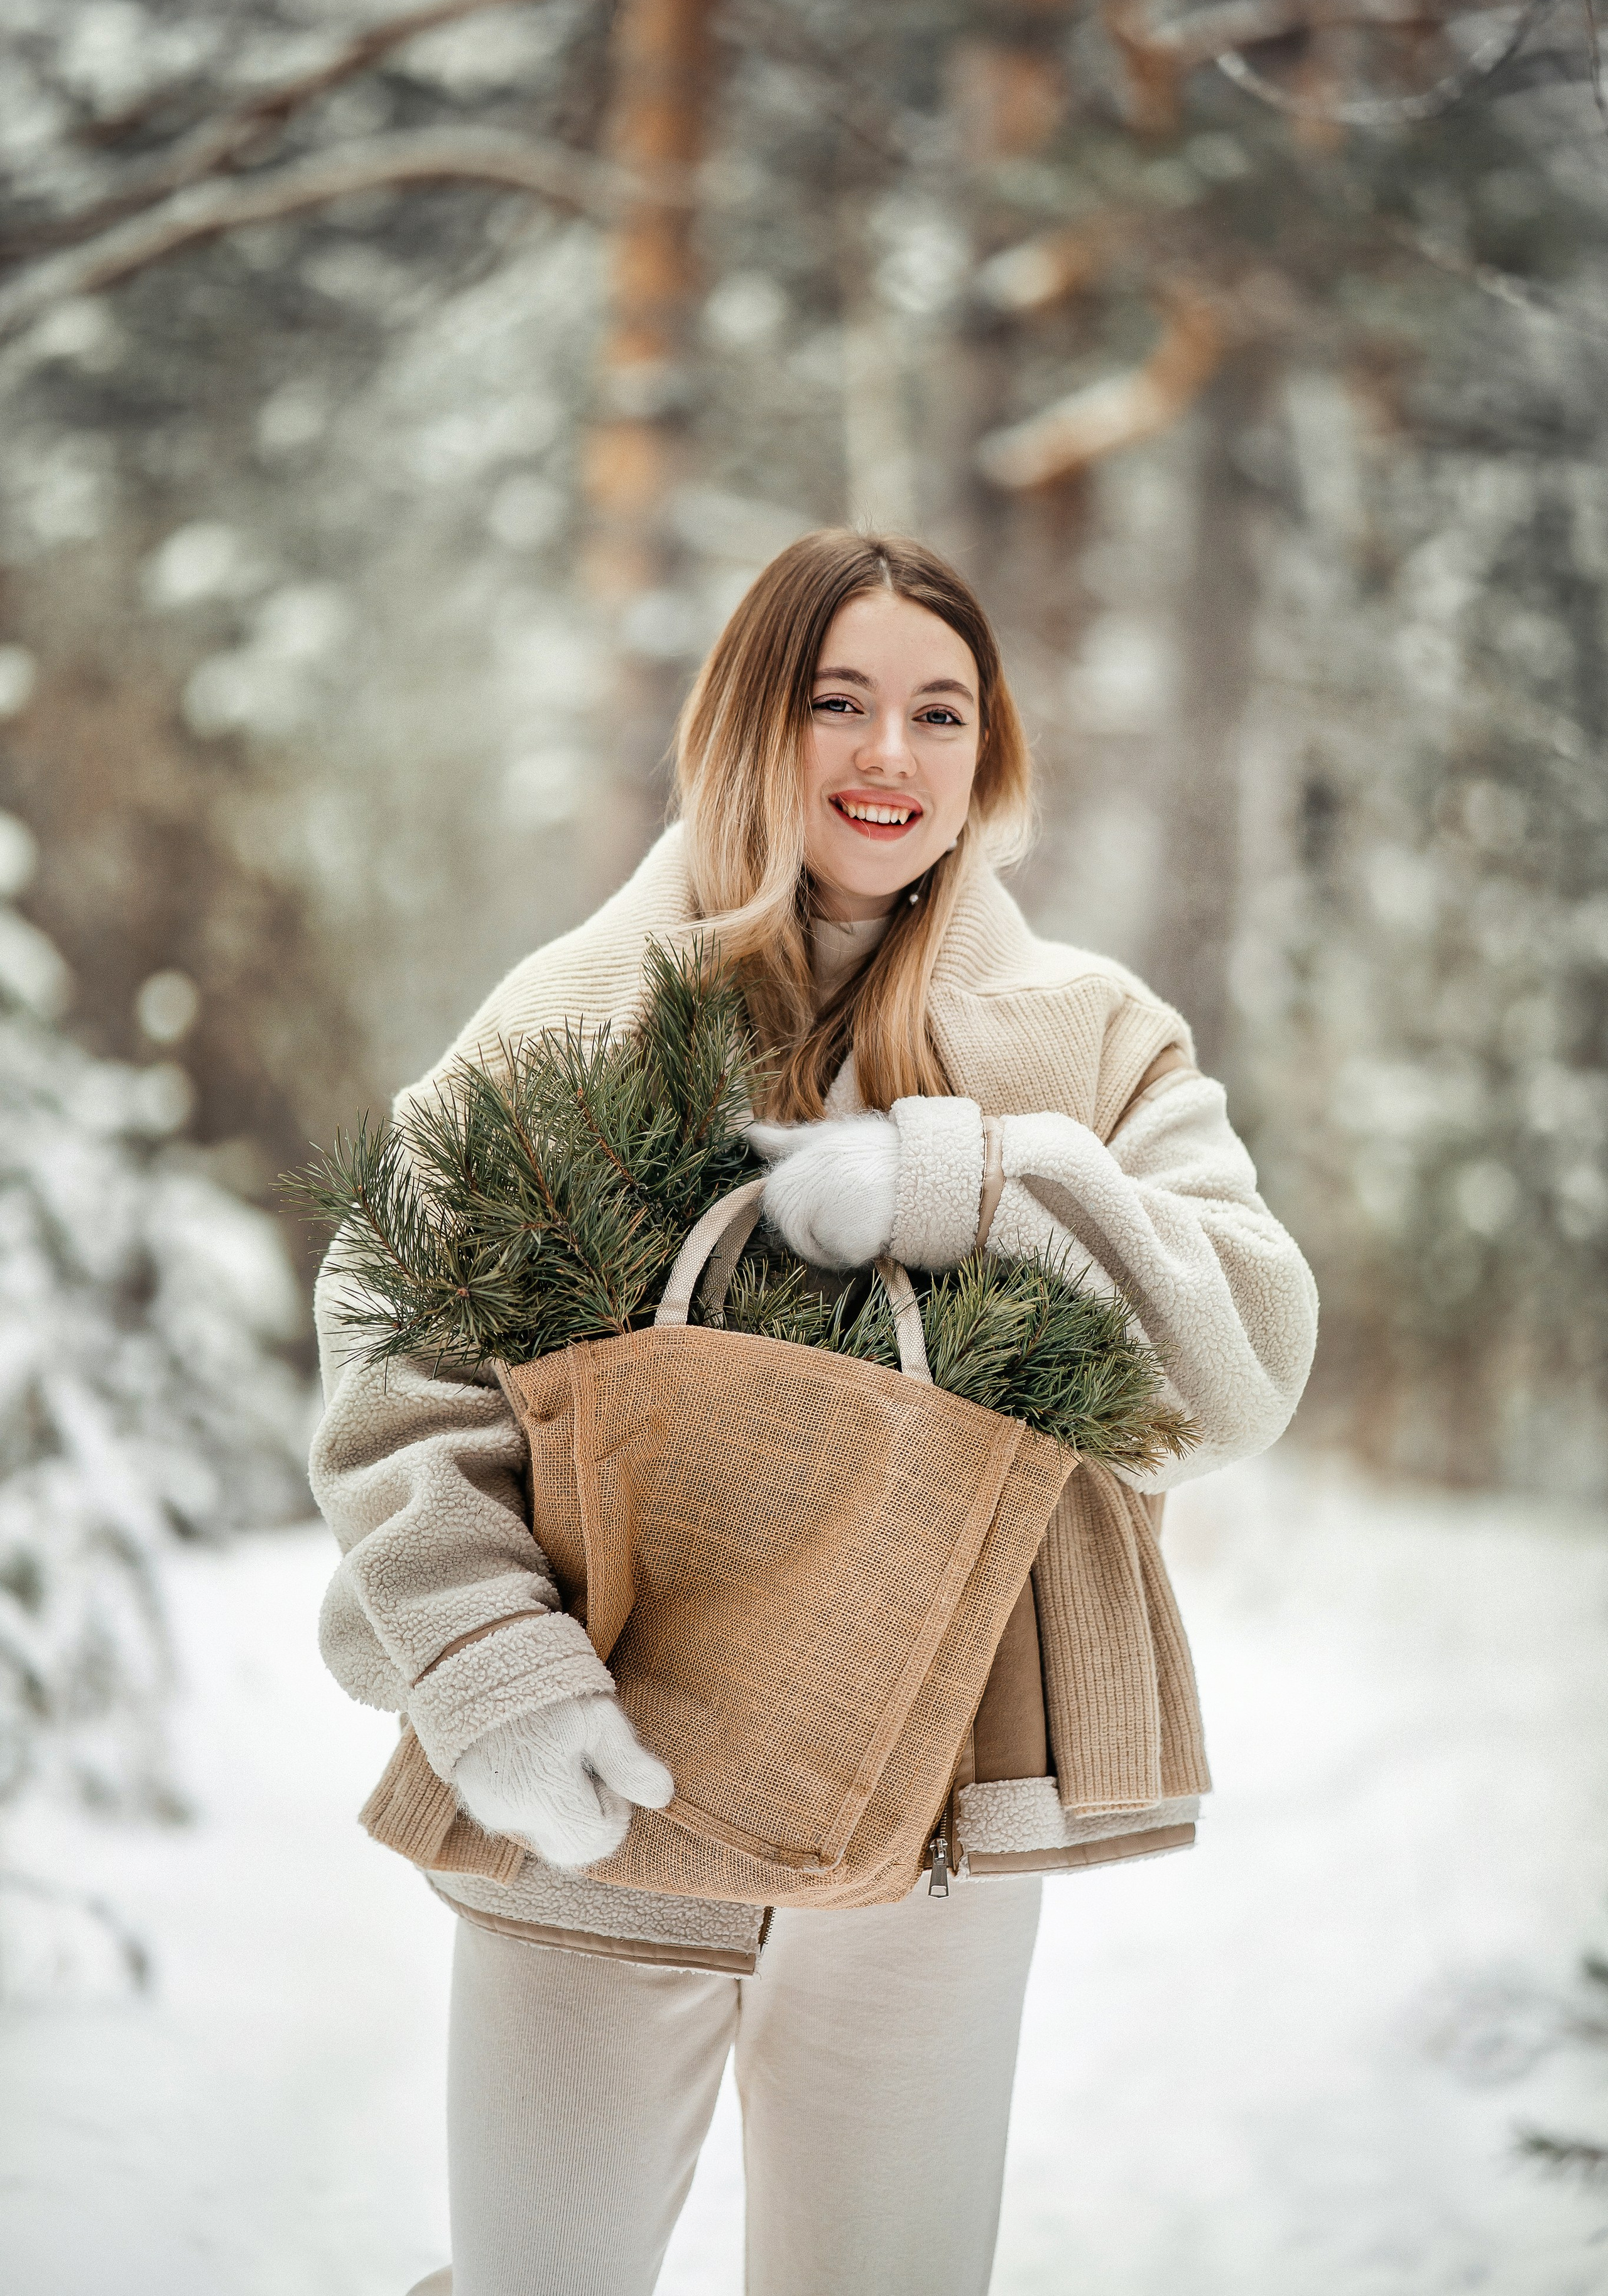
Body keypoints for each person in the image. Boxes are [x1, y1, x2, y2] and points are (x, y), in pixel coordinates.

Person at [310, 529, 1317, 2296]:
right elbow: (399, 1363)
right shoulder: (573, 1024)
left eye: (941, 713)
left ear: (987, 756)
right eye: (835, 702)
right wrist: (493, 1676)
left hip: (938, 1793)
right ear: (745, 724)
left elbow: (1245, 1348)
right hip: (611, 1760)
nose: (887, 758)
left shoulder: (1091, 1042)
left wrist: (983, 1182)